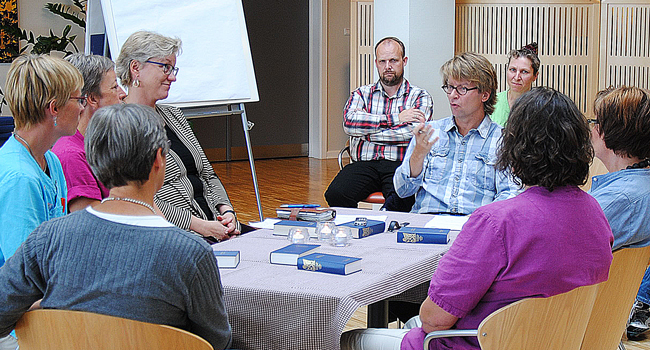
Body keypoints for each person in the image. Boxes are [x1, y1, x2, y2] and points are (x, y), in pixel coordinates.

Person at [341, 87, 614, 350]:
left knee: (351, 339)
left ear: (515, 150)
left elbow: (433, 320)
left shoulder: (496, 223)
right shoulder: (595, 212)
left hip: (484, 341)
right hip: (560, 339)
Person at [0, 103, 232, 350]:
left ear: (94, 160)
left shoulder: (47, 238)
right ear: (158, 159)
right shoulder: (191, 254)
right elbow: (215, 341)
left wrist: (52, 314)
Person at [116, 30, 242, 242]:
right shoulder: (119, 125)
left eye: (173, 68)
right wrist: (201, 226)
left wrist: (227, 212)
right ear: (136, 68)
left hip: (213, 224)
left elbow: (208, 174)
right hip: (176, 235)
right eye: (165, 67)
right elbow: (140, 197)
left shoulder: (173, 115)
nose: (172, 76)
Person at [393, 52, 521, 216]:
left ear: (485, 94)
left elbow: (509, 195)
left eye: (462, 88)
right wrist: (417, 155)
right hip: (427, 223)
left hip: (473, 225)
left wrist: (480, 222)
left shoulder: (502, 140)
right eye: (450, 87)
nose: (453, 95)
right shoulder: (431, 132)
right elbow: (402, 190)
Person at [325, 36, 433, 212]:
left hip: (399, 164)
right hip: (364, 164)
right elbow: (349, 124)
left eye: (393, 60)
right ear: (376, 63)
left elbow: (411, 133)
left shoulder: (420, 96)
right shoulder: (361, 94)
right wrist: (396, 119)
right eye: (382, 61)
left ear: (404, 61)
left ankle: (385, 234)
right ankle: (354, 228)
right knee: (336, 193)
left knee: (400, 199)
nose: (387, 66)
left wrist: (366, 133)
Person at [0, 54, 84, 267]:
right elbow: (23, 277)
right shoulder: (20, 179)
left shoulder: (51, 160)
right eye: (78, 100)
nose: (82, 108)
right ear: (54, 108)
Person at [587, 86, 650, 339]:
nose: (591, 129)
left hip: (579, 318)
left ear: (605, 133)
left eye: (595, 122)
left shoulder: (618, 202)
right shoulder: (638, 186)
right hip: (605, 320)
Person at [52, 53, 127, 212]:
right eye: (114, 87)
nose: (122, 93)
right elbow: (92, 226)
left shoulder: (101, 142)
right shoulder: (71, 155)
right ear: (92, 99)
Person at [491, 42, 540, 126]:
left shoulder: (540, 107)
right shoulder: (493, 102)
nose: (517, 77)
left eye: (524, 72)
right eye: (513, 70)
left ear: (535, 76)